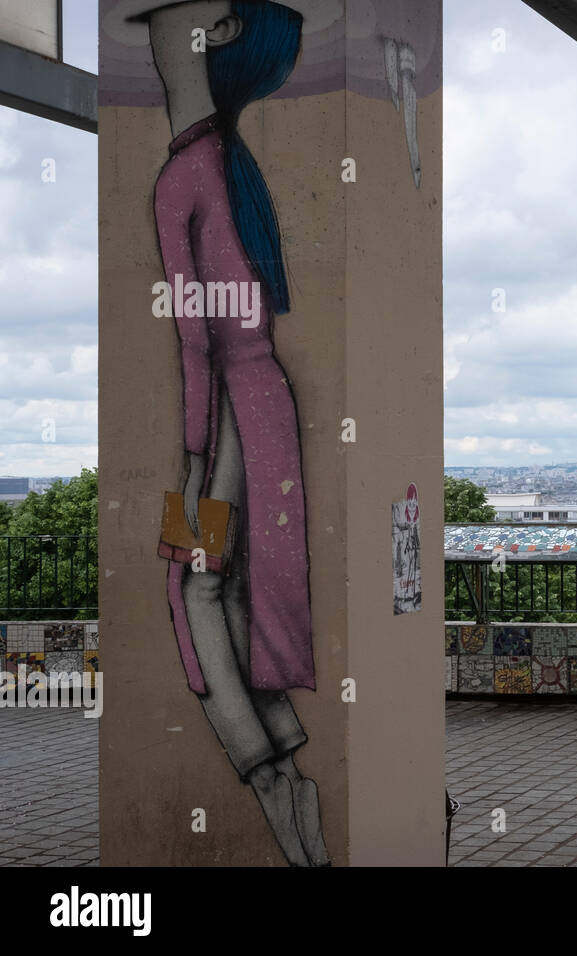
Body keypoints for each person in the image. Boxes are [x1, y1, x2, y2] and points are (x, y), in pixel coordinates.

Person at [141, 0, 328, 866]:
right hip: (264, 401)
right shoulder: (233, 166)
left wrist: (187, 461)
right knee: (230, 585)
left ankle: (269, 779)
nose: (153, 27)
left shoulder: (184, 173)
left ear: (212, 43)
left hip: (218, 410)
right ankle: (287, 757)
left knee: (193, 588)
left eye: (176, 18)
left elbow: (191, 337)